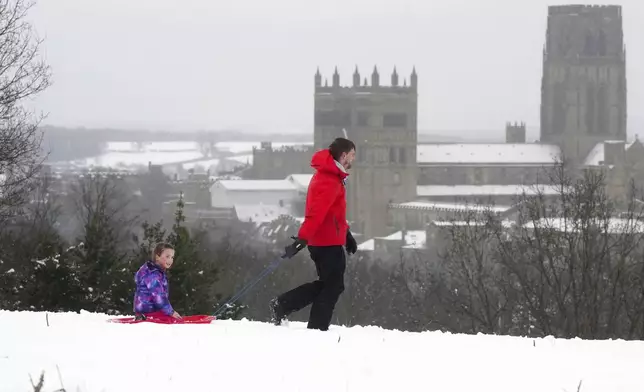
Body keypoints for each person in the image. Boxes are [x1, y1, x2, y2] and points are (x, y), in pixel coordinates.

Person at [270, 137, 358, 331]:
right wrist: (302, 238)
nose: (353, 159)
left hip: (327, 240)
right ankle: (311, 323)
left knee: (329, 284)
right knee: (333, 286)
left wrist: (346, 234)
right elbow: (316, 214)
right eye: (352, 154)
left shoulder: (331, 176)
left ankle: (288, 306)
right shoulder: (329, 180)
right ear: (343, 156)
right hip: (326, 243)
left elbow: (333, 214)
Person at [133, 242, 182, 321]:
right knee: (172, 320)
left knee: (170, 317)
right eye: (167, 256)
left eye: (172, 257)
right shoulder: (152, 275)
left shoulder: (157, 272)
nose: (170, 260)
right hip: (148, 312)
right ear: (157, 257)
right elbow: (158, 296)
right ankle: (141, 317)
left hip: (151, 311)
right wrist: (171, 312)